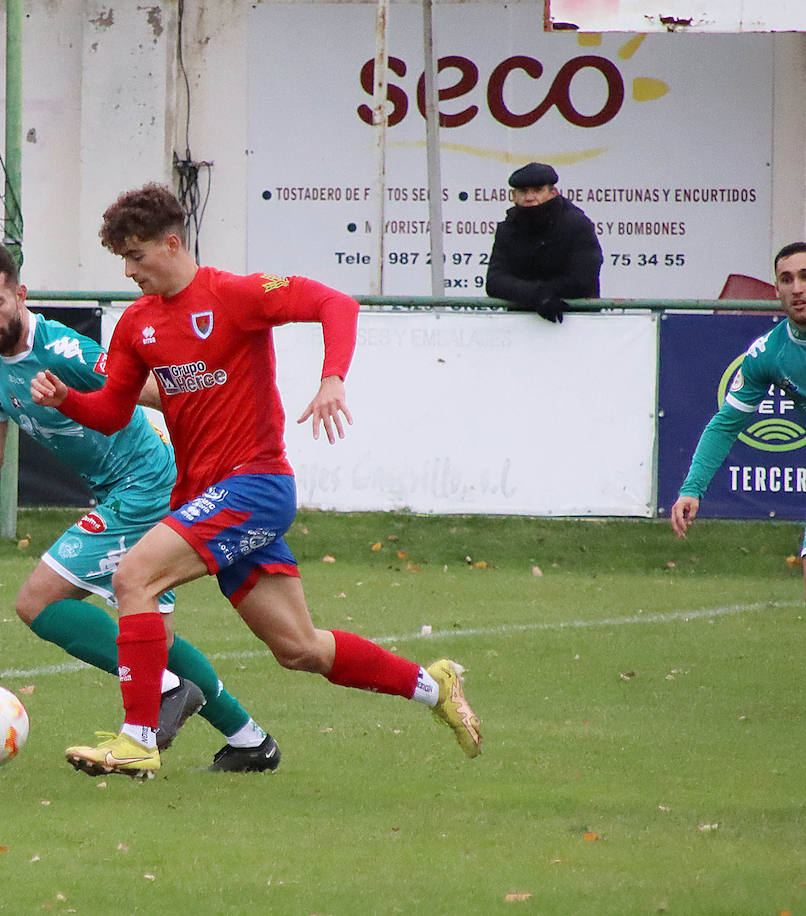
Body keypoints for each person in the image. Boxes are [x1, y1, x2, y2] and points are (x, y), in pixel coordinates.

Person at [30, 184, 481, 779]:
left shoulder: (234, 295)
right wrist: (68, 400)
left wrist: (333, 378)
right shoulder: (137, 325)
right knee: (299, 649)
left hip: (255, 486)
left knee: (133, 576)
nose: (129, 271)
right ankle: (435, 685)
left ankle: (138, 739)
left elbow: (336, 304)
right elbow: (114, 411)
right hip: (208, 500)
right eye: (122, 260)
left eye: (137, 256)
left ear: (172, 243)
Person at [0, 240, 281, 772]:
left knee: (38, 601)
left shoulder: (62, 351)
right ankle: (248, 741)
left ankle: (167, 692)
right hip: (125, 488)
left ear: (19, 294)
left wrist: (217, 425)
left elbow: (151, 390)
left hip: (144, 485)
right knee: (154, 638)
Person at [670, 241, 806, 595]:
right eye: (787, 279)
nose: (798, 288)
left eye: (805, 277)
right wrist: (691, 489)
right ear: (776, 289)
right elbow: (724, 425)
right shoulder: (768, 354)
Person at [485, 161, 602, 324]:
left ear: (553, 193)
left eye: (538, 190)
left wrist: (542, 294)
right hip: (520, 324)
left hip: (575, 322)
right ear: (514, 196)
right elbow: (495, 281)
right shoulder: (508, 229)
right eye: (523, 191)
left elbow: (582, 280)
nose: (530, 198)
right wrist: (537, 296)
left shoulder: (577, 225)